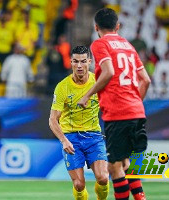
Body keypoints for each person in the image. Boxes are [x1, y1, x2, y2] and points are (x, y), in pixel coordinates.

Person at [78, 8, 151, 200]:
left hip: (118, 114)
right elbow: (146, 80)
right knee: (128, 164)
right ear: (117, 26)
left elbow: (109, 71)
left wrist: (87, 95)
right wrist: (135, 103)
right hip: (137, 112)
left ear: (96, 27)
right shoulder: (128, 45)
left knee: (114, 166)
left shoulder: (100, 44)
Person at [49, 46, 109, 200]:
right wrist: (64, 140)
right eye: (76, 61)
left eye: (83, 61)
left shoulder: (98, 81)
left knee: (103, 178)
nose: (80, 66)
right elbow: (52, 119)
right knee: (79, 185)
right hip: (71, 138)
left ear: (89, 61)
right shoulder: (63, 87)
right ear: (71, 62)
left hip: (94, 137)